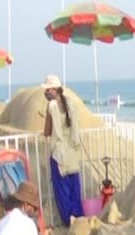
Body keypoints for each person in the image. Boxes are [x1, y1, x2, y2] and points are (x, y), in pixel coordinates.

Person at [42, 74, 84, 225]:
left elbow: (47, 131)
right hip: (72, 152)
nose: (45, 93)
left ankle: (69, 222)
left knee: (62, 192)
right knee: (74, 190)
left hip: (59, 154)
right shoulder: (70, 103)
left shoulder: (52, 106)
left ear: (55, 90)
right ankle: (79, 219)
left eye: (47, 90)